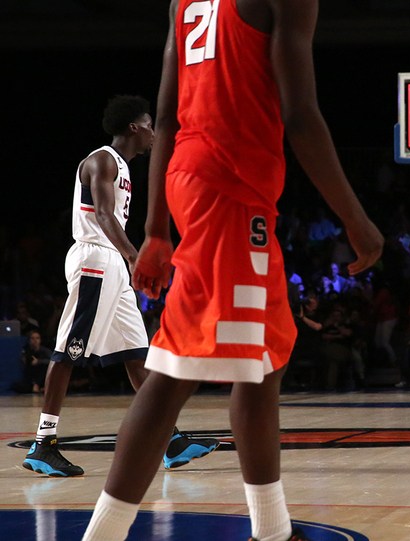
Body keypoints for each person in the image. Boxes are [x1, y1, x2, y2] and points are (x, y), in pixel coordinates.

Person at [80, 2, 384, 541]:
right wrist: (355, 219)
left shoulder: (184, 1)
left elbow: (168, 117)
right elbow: (300, 115)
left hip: (198, 178)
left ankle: (272, 530)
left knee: (263, 359)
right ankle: (103, 534)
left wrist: (156, 230)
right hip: (231, 184)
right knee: (177, 367)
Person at [23, 96, 218, 479]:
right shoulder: (102, 160)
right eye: (149, 125)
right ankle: (43, 444)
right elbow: (102, 215)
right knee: (68, 351)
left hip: (113, 263)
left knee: (136, 353)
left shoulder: (124, 167)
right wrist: (134, 256)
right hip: (96, 259)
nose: (153, 132)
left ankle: (170, 441)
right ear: (133, 126)